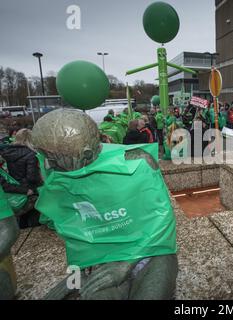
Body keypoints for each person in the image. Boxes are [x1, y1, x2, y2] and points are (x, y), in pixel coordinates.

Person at [32, 109, 177, 300]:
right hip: (101, 261)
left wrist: (126, 264)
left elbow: (163, 221)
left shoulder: (137, 161)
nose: (48, 166)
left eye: (52, 159)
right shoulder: (57, 175)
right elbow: (73, 230)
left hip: (150, 253)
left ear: (85, 154)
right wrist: (77, 276)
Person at [0, 129, 41, 196]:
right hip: (29, 189)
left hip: (15, 184)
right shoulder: (31, 154)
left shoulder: (9, 151)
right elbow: (32, 177)